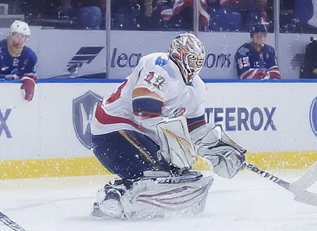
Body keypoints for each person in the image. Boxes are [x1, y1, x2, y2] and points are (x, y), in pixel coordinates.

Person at [86, 33, 245, 220]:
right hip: (112, 131)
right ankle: (112, 196)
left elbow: (196, 129)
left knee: (175, 172)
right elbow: (143, 110)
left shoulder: (198, 88)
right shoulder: (159, 65)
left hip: (139, 135)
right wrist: (177, 142)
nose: (195, 65)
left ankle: (133, 197)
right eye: (192, 59)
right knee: (157, 171)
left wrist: (218, 149)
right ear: (179, 54)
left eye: (199, 60)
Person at [0, 21, 38, 102]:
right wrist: (3, 77)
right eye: (17, 36)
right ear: (10, 35)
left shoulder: (30, 56)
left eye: (23, 37)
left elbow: (31, 75)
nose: (19, 40)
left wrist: (30, 80)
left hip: (13, 99)